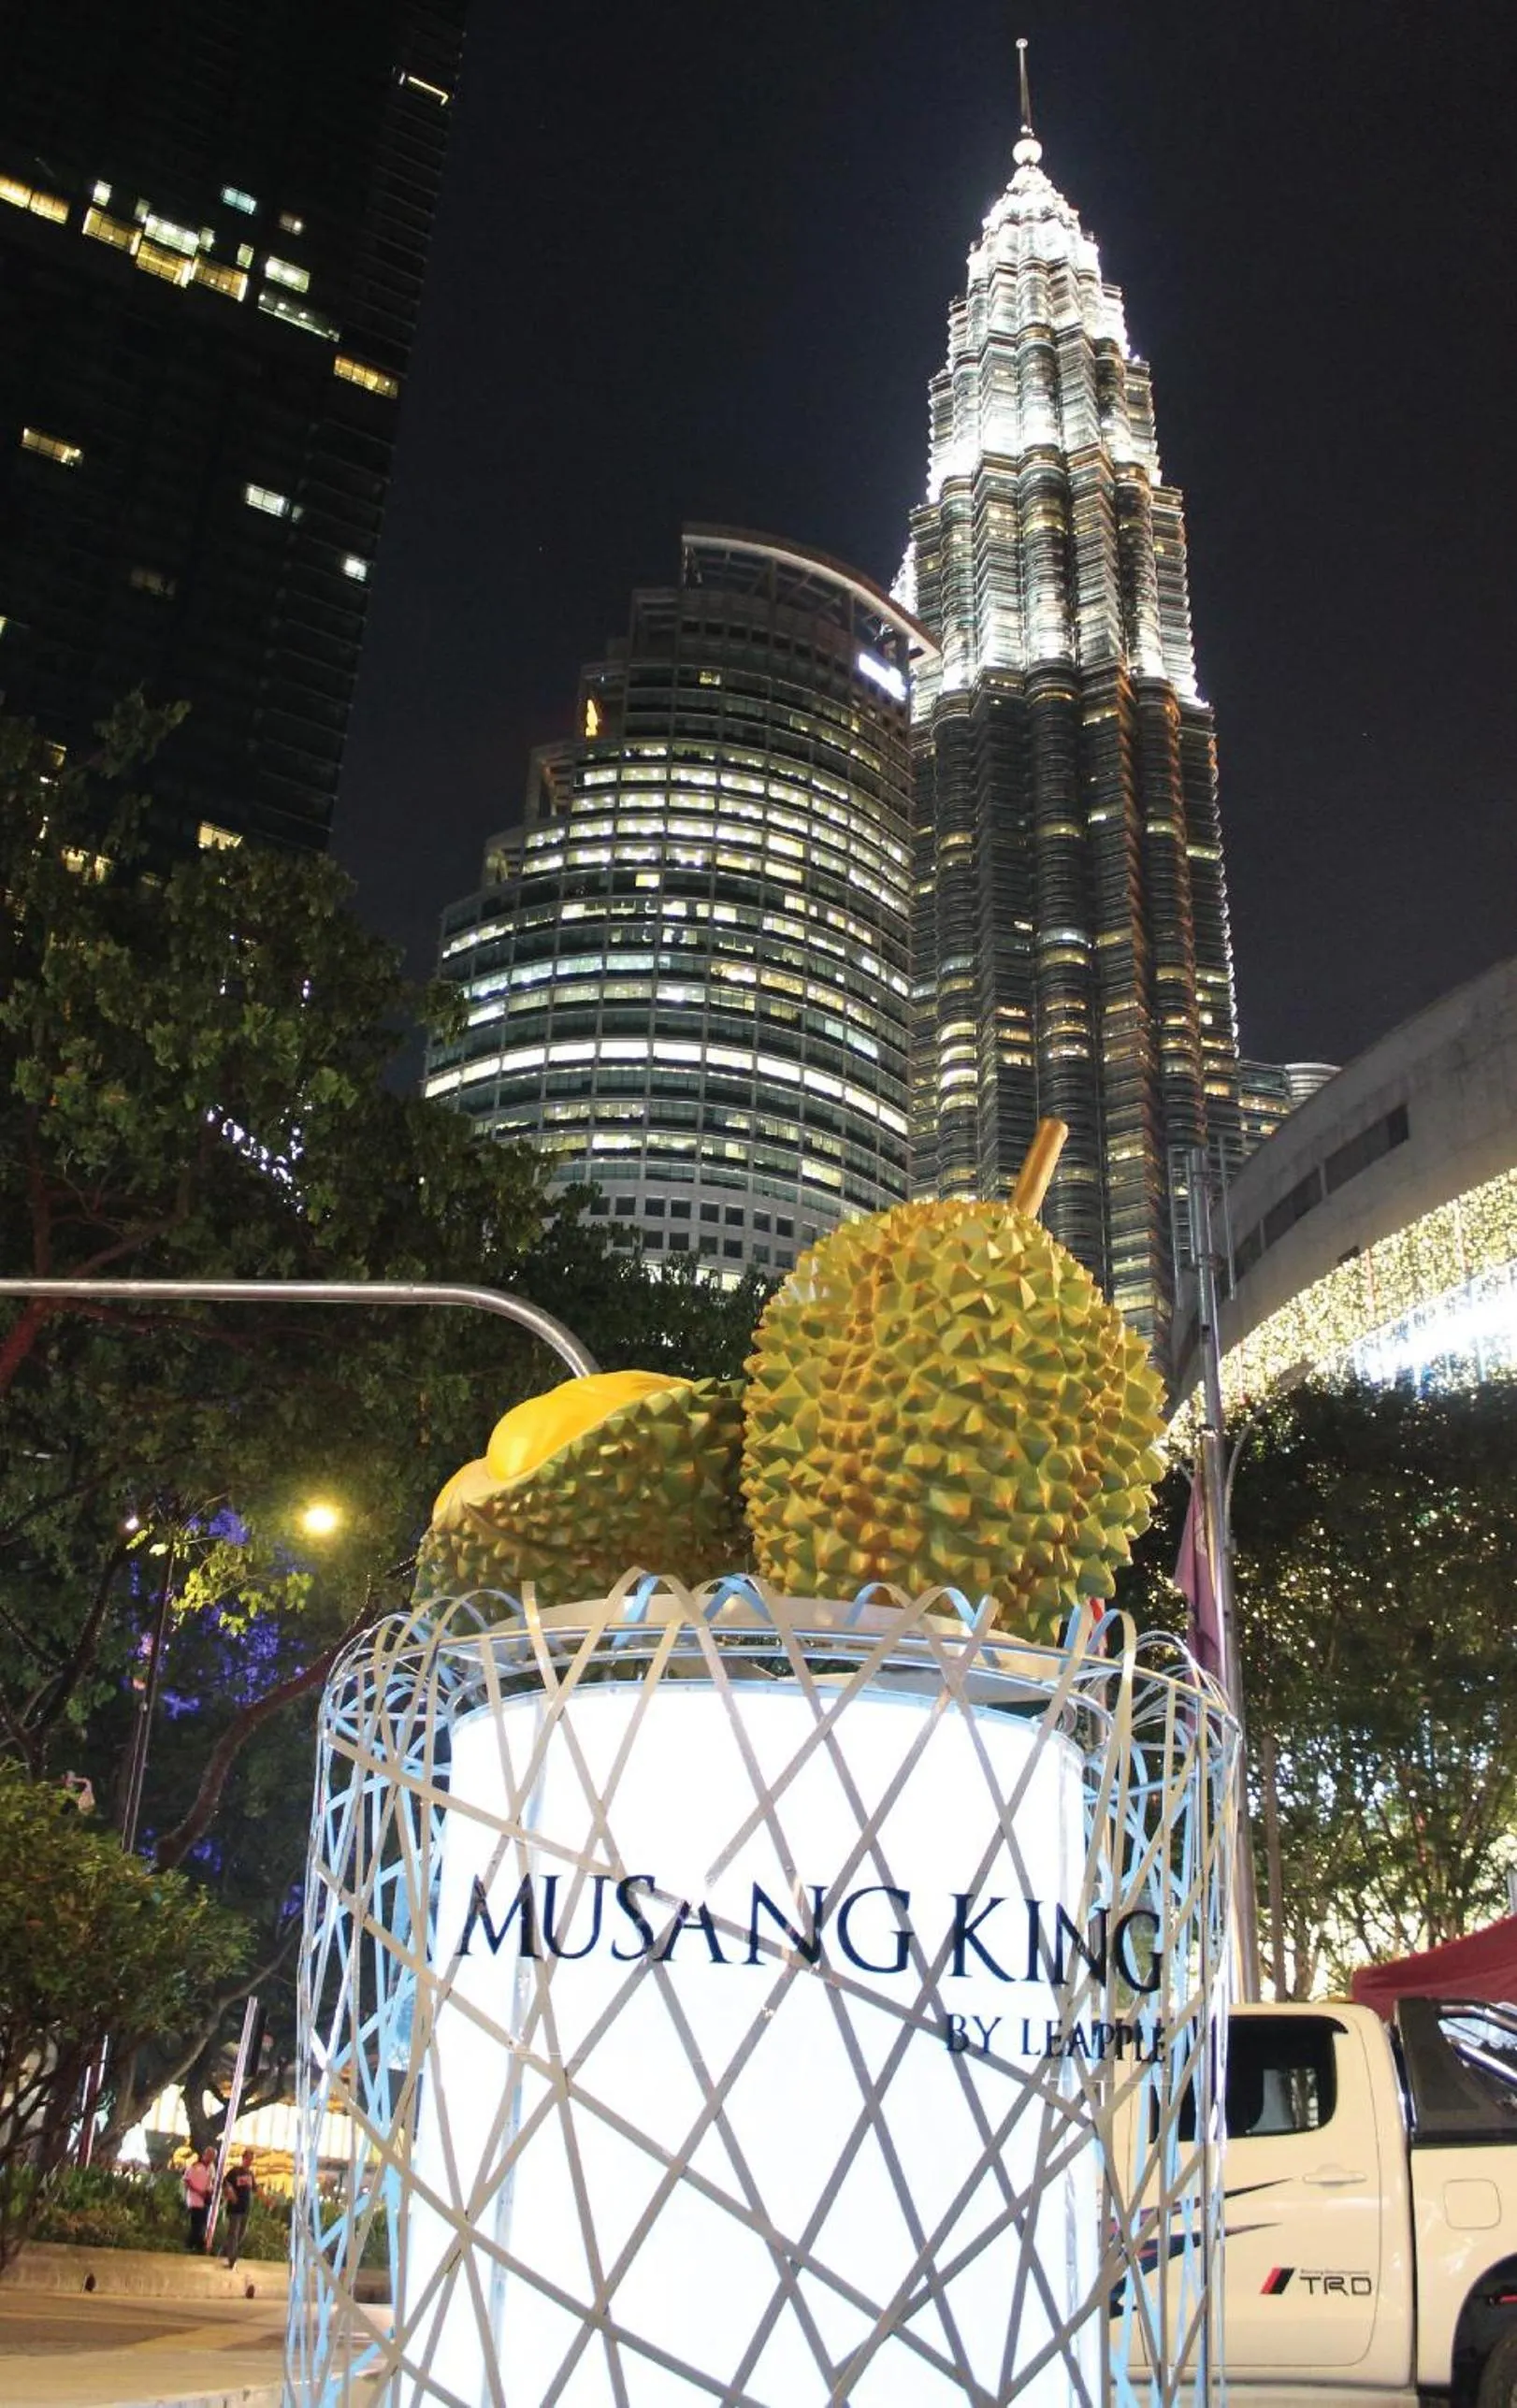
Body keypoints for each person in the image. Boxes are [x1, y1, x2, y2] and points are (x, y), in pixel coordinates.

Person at [222, 2148, 257, 2268]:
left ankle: (225, 2251)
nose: (249, 2161)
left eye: (251, 2159)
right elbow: (225, 2183)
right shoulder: (235, 2172)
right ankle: (232, 2260)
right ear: (243, 2159)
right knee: (234, 2234)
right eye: (248, 2159)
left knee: (241, 2234)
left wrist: (267, 2200)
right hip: (235, 2208)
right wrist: (230, 2193)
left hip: (245, 2209)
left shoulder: (251, 2174)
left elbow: (256, 2189)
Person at [183, 2145, 216, 2252]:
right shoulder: (195, 2165)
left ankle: (197, 2246)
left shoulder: (212, 2167)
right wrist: (198, 2191)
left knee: (202, 2224)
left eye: (213, 2157)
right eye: (210, 2155)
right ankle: (190, 2246)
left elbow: (212, 2181)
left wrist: (210, 2191)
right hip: (195, 2200)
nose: (211, 2159)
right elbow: (186, 2181)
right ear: (204, 2155)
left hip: (206, 2199)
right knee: (196, 2224)